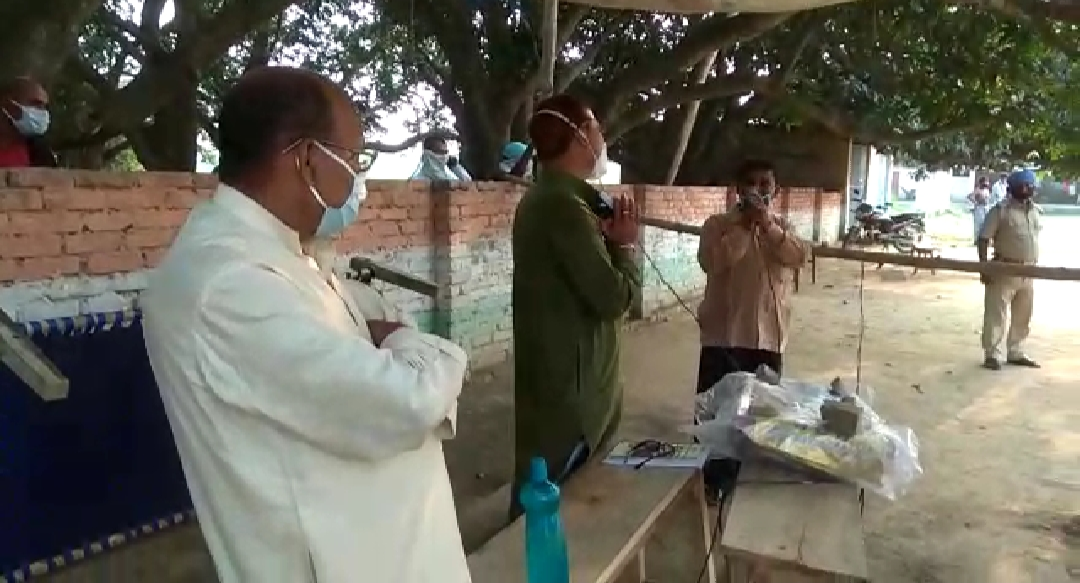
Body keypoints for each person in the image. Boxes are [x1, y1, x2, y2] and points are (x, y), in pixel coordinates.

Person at [140, 66, 471, 583]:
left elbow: (367, 310)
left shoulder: (282, 253)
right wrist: (425, 347)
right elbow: (408, 400)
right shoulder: (228, 283)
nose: (357, 181)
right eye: (355, 160)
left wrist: (390, 333)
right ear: (307, 159)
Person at [509, 94, 640, 517]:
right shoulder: (564, 207)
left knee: (547, 493)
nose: (602, 138)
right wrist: (624, 247)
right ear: (582, 136)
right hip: (573, 396)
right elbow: (614, 298)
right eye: (597, 128)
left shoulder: (555, 199)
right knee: (549, 508)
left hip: (562, 382)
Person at [695, 159, 809, 497]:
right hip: (723, 336)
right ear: (738, 189)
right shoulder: (717, 225)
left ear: (776, 190)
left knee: (761, 413)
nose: (759, 190)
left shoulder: (783, 228)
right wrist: (745, 227)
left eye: (765, 184)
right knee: (719, 414)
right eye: (751, 183)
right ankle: (713, 481)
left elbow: (799, 257)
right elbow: (712, 262)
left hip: (767, 337)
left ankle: (751, 482)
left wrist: (768, 227)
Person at [978, 169, 1041, 371]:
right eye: (1021, 185)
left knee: (1024, 314)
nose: (1025, 189)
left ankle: (1016, 351)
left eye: (1029, 185)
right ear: (1011, 188)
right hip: (1004, 269)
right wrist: (984, 266)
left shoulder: (1035, 211)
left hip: (1029, 271)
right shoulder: (1000, 210)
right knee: (997, 313)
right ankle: (992, 354)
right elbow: (983, 239)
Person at [0, 77, 56, 168]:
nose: (43, 113)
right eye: (36, 104)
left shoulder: (41, 153)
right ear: (8, 104)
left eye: (44, 107)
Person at [968, 176, 992, 243]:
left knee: (985, 224)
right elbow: (970, 196)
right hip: (979, 208)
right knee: (978, 224)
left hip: (986, 208)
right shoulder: (978, 189)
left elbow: (989, 199)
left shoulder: (986, 190)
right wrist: (976, 202)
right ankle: (976, 240)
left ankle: (985, 239)